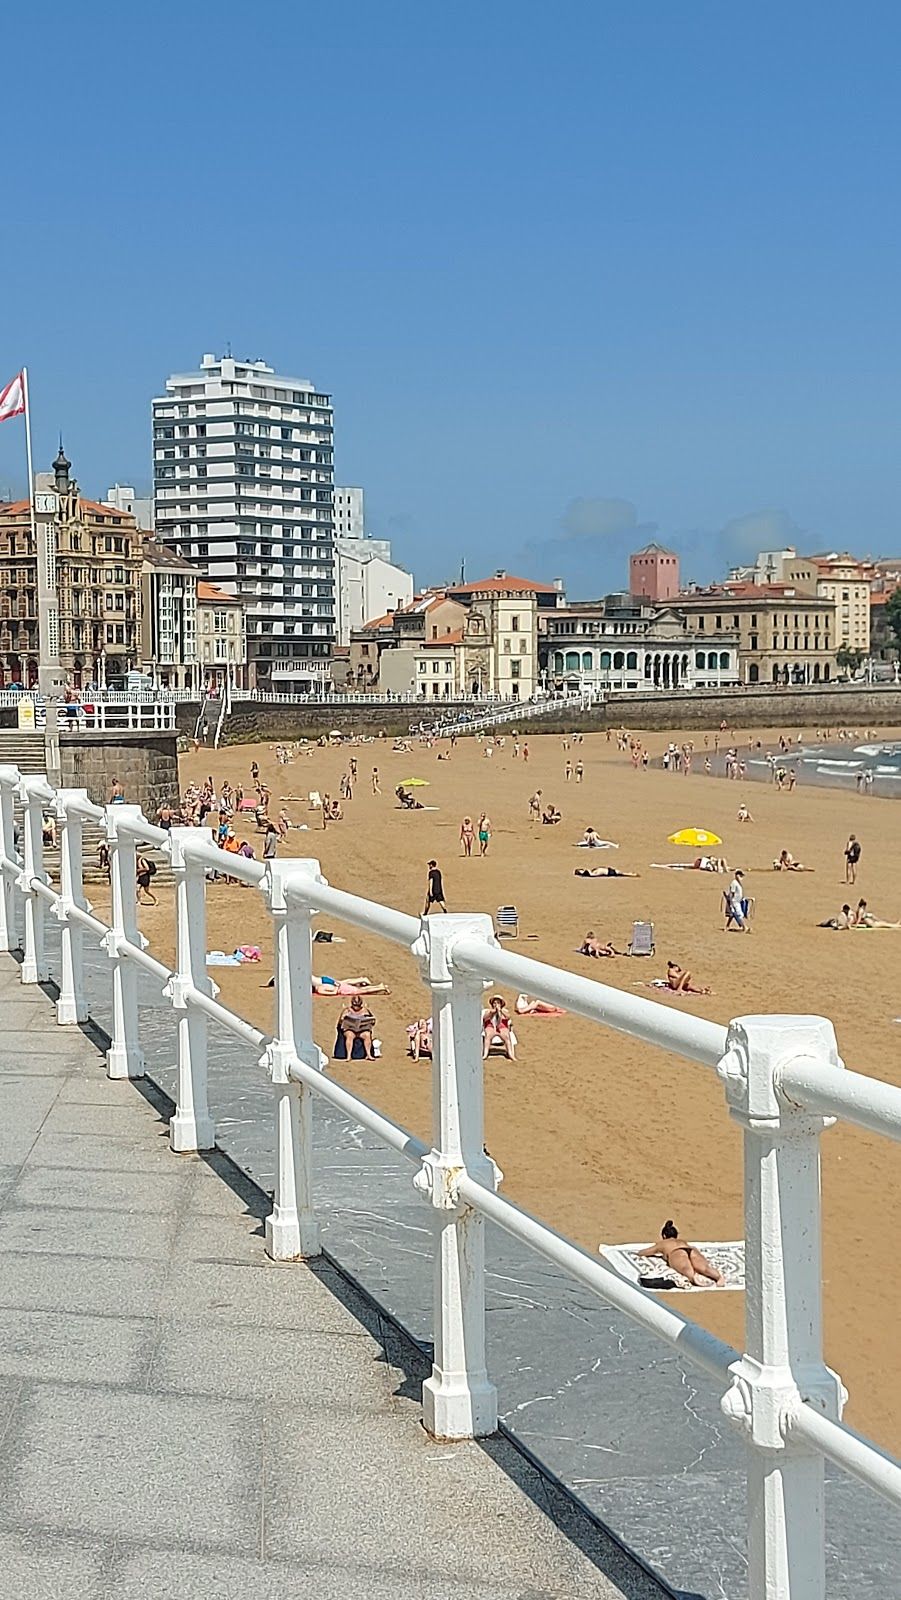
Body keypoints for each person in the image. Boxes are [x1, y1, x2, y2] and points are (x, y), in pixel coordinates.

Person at [637, 1220, 725, 1286]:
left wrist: (639, 1253)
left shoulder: (663, 1243)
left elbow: (646, 1252)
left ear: (664, 1236)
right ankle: (718, 1277)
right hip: (691, 1250)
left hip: (676, 1252)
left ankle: (694, 1278)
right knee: (704, 1268)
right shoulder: (682, 1241)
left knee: (686, 1268)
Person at [339, 994, 376, 1061]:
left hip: (361, 1030)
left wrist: (369, 1021)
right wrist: (344, 1018)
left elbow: (372, 1021)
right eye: (355, 1005)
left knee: (367, 1035)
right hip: (350, 1029)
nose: (356, 1007)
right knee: (350, 1035)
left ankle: (369, 1055)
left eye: (358, 1005)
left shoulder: (365, 1010)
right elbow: (340, 1023)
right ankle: (348, 1056)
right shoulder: (347, 1010)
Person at [482, 995, 516, 1060]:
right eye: (494, 1003)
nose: (496, 1004)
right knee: (488, 1036)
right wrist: (491, 1013)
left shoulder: (504, 1011)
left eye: (498, 1003)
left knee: (507, 1037)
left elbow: (508, 1017)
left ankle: (511, 1054)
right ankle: (485, 1054)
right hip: (491, 1027)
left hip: (501, 1028)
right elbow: (484, 1017)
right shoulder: (488, 1011)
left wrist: (500, 1011)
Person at [574, 865, 639, 878]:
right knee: (621, 873)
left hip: (607, 871)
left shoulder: (592, 872)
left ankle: (632, 874)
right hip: (607, 872)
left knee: (621, 873)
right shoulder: (591, 874)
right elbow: (589, 873)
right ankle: (632, 874)